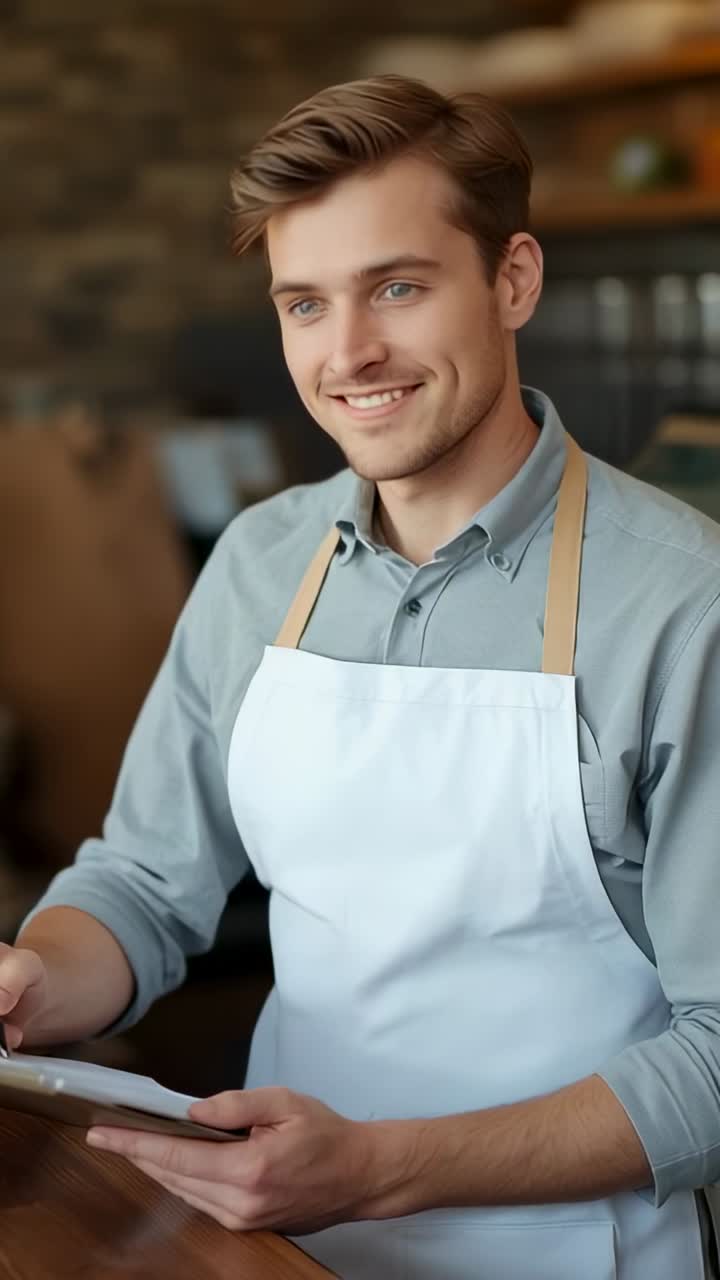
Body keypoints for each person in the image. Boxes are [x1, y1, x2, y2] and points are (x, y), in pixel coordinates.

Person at [1, 75, 719, 1279]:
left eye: (397, 286)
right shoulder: (260, 561)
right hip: (291, 1239)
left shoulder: (682, 602)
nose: (349, 354)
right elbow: (144, 880)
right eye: (304, 302)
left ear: (514, 280)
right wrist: (36, 977)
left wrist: (385, 1163)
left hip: (578, 1251)